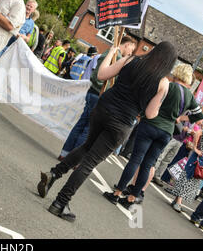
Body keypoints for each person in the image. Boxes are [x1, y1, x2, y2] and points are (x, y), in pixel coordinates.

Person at [37, 41, 178, 222]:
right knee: (89, 163)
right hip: (121, 123)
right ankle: (60, 203)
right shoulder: (163, 83)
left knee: (87, 146)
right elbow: (151, 114)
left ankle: (54, 174)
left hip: (103, 108)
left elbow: (102, 74)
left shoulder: (130, 60)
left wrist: (112, 53)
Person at [103, 63, 203, 208]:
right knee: (148, 164)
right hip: (167, 132)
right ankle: (131, 199)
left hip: (151, 124)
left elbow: (149, 99)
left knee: (135, 160)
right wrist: (180, 118)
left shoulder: (168, 85)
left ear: (177, 73)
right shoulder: (189, 96)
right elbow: (199, 118)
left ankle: (117, 193)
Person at [57, 37, 137, 161]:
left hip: (92, 91)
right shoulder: (117, 59)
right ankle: (72, 159)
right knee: (88, 130)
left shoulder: (108, 53)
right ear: (127, 45)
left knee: (81, 124)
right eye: (132, 49)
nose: (131, 53)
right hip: (99, 94)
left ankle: (65, 153)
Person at [171, 122, 203, 213]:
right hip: (199, 156)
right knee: (188, 177)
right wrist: (195, 148)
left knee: (193, 180)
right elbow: (198, 133)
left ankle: (177, 200)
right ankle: (178, 202)